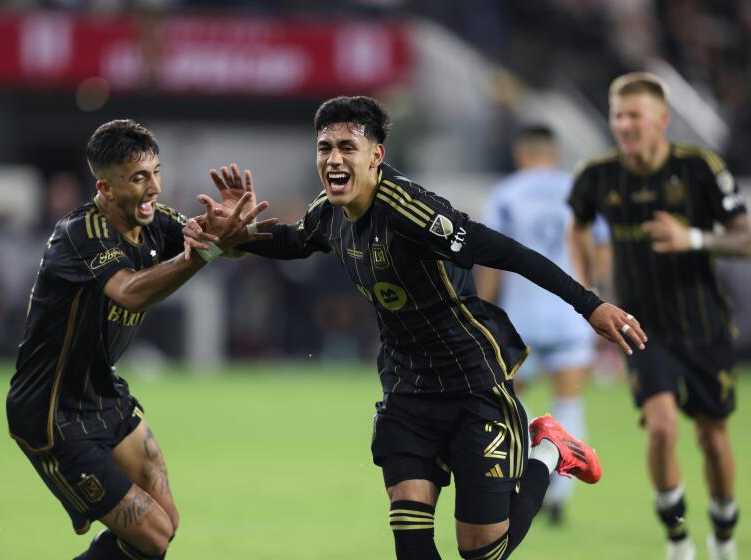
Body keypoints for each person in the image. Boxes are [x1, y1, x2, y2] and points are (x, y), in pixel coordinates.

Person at [188, 96, 646, 560]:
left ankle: (548, 450)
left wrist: (590, 305)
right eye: (324, 148)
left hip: (472, 381)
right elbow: (295, 240)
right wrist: (238, 236)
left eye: (347, 147)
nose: (333, 159)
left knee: (482, 551)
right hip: (407, 388)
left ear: (376, 156)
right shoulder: (329, 212)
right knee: (411, 543)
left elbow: (505, 251)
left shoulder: (413, 211)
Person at [6, 119, 273, 560]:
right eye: (138, 178)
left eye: (156, 172)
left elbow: (214, 243)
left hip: (103, 391)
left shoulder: (154, 221)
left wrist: (231, 231)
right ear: (106, 188)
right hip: (53, 408)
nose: (154, 188)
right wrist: (205, 251)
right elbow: (129, 293)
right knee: (149, 535)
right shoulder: (80, 234)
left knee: (165, 523)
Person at [568, 72, 748, 560]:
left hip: (706, 324)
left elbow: (746, 238)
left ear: (662, 120)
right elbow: (577, 225)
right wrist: (590, 291)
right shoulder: (597, 176)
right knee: (663, 427)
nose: (624, 125)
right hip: (644, 328)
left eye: (634, 116)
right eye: (617, 115)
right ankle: (677, 539)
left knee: (712, 437)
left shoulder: (698, 168)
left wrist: (693, 238)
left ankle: (724, 536)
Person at [476, 124, 611, 524]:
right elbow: (599, 247)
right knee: (569, 401)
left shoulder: (506, 194)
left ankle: (528, 475)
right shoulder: (578, 191)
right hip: (570, 313)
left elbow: (491, 256)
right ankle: (559, 495)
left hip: (521, 318)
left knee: (510, 400)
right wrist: (596, 294)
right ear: (554, 153)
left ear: (522, 153)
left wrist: (481, 309)